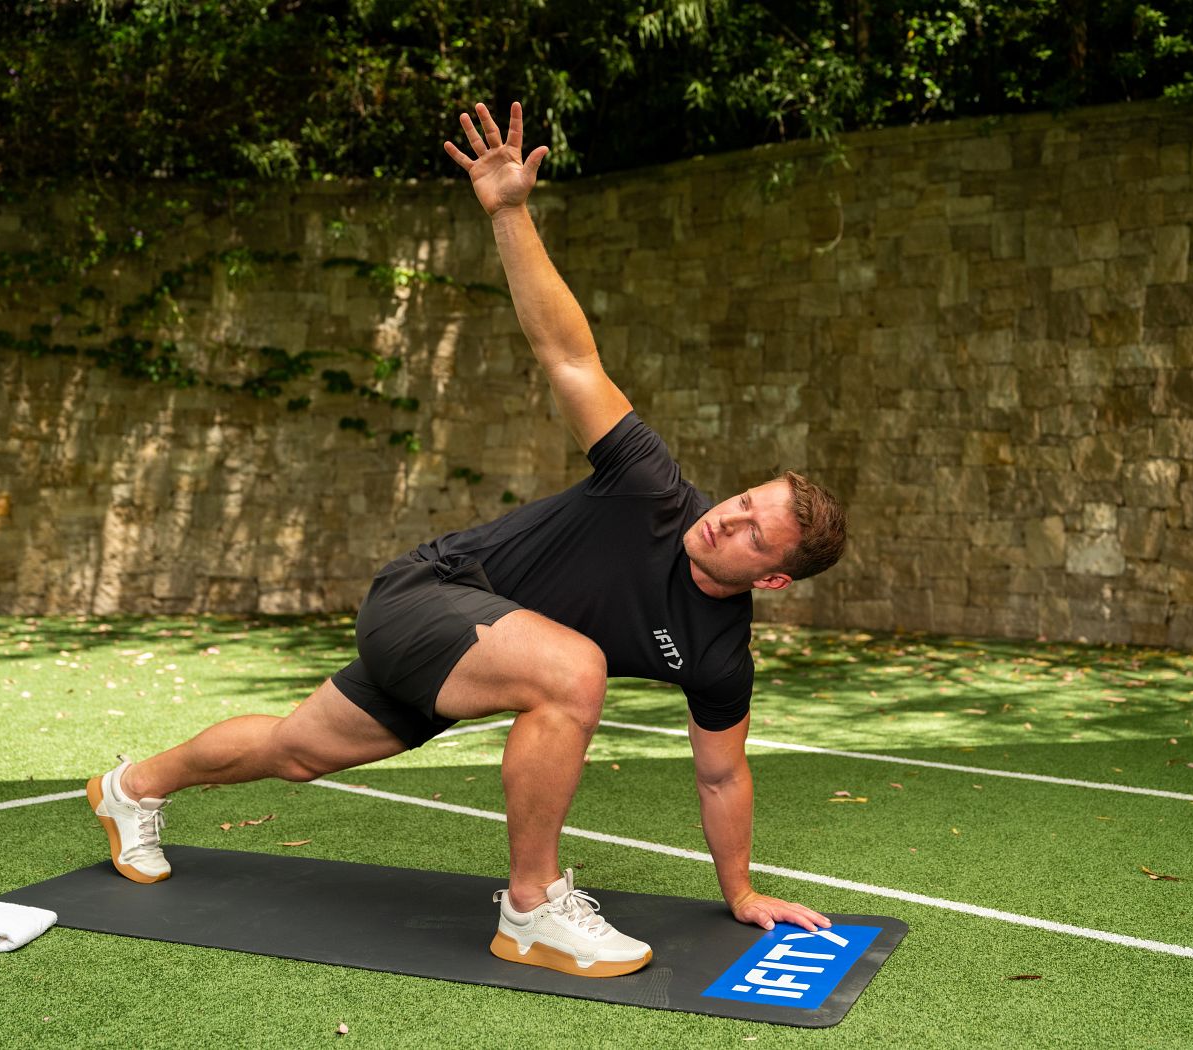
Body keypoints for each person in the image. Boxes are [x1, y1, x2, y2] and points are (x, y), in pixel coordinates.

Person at [87, 101, 848, 980]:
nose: (730, 516)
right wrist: (509, 211)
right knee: (575, 670)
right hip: (427, 597)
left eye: (756, 531)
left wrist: (744, 892)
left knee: (293, 752)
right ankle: (531, 909)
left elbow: (721, 776)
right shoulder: (652, 490)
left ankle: (130, 788)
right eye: (746, 498)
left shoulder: (721, 654)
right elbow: (570, 357)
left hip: (472, 658)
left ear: (776, 581)